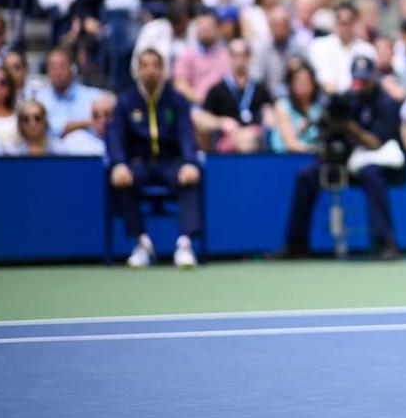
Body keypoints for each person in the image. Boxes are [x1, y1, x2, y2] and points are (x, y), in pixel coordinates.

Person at [272, 55, 403, 260]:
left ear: (374, 77)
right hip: (344, 160)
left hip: (375, 161)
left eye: (365, 78)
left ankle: (384, 240)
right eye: (357, 78)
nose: (361, 83)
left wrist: (352, 128)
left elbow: (377, 143)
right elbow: (328, 127)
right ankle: (296, 243)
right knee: (306, 176)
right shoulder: (348, 98)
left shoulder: (384, 102)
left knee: (372, 175)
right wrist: (327, 122)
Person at [107, 48, 203, 269]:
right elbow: (116, 136)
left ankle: (185, 245)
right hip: (138, 163)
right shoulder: (125, 101)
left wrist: (190, 162)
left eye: (155, 66)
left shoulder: (176, 100)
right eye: (145, 65)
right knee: (119, 179)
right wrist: (119, 164)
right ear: (138, 70)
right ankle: (141, 243)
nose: (150, 71)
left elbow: (186, 134)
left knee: (191, 178)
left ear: (162, 70)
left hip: (170, 163)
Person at [196, 38, 273, 152]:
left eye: (244, 55)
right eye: (236, 55)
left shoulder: (260, 89)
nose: (240, 59)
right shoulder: (217, 89)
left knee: (249, 138)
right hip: (227, 138)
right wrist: (221, 122)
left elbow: (270, 114)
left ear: (249, 57)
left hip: (255, 137)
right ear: (230, 58)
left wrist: (263, 126)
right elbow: (202, 118)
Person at [30, 46, 100, 139]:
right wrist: (86, 123)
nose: (57, 72)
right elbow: (54, 130)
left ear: (72, 68)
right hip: (50, 152)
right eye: (52, 66)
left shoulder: (93, 96)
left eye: (61, 66)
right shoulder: (39, 99)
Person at [308, 2, 375, 93]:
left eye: (349, 23)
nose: (345, 28)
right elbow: (324, 77)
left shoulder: (367, 50)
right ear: (335, 22)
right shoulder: (319, 45)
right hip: (328, 98)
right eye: (342, 23)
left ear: (355, 23)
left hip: (358, 98)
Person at [58, 92, 115, 158]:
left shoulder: (126, 141)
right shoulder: (76, 141)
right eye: (96, 115)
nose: (102, 120)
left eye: (107, 114)